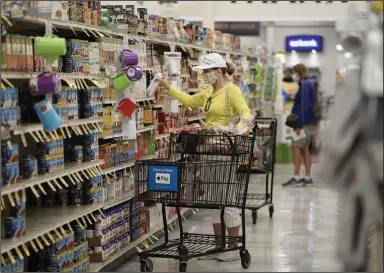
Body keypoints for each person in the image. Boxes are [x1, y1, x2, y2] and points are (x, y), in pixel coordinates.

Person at [159, 53, 253, 262]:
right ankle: (218, 246)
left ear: (218, 71)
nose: (203, 76)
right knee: (212, 200)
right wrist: (167, 85)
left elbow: (246, 114)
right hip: (209, 150)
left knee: (226, 199)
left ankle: (233, 246)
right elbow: (190, 101)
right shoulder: (208, 92)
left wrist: (237, 129)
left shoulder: (232, 90)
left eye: (207, 72)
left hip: (225, 150)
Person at [282, 63, 317, 187]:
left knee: (295, 147)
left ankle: (296, 177)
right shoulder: (308, 84)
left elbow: (304, 106)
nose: (293, 75)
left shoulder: (305, 85)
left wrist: (299, 125)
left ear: (299, 72)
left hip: (303, 122)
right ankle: (307, 177)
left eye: (294, 72)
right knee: (305, 149)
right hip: (309, 121)